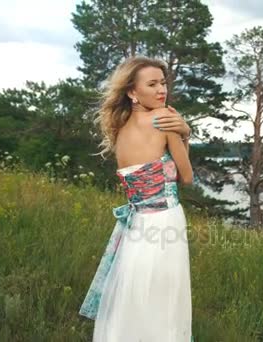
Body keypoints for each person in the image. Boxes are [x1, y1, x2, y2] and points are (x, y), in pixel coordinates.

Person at [79, 56, 195, 342]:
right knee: (165, 301)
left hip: (137, 225)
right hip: (165, 220)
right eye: (152, 84)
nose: (161, 90)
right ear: (132, 92)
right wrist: (186, 133)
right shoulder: (165, 119)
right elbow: (187, 177)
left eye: (163, 83)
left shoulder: (119, 128)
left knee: (133, 297)